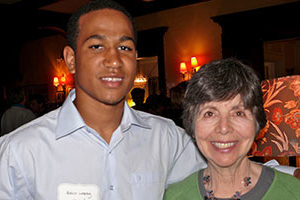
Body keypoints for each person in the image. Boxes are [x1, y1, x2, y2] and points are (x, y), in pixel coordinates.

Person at [0, 0, 205, 199]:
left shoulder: (169, 139)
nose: (114, 60)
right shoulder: (20, 152)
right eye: (97, 46)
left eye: (125, 48)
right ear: (71, 60)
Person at [163, 58, 300, 200]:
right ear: (191, 124)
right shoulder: (174, 196)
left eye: (238, 113)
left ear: (257, 122)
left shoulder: (294, 192)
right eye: (209, 114)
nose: (224, 128)